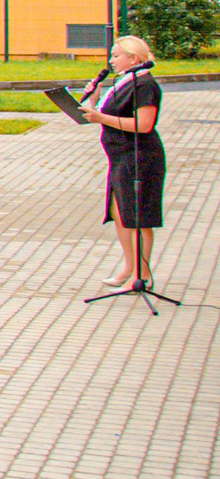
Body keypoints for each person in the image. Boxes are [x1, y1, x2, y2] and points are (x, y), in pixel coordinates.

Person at [85, 35, 164, 293]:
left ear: (134, 58)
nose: (111, 60)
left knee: (139, 217)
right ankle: (130, 268)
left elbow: (143, 125)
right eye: (112, 55)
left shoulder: (145, 86)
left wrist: (100, 117)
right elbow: (104, 116)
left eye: (116, 56)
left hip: (140, 157)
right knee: (121, 214)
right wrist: (94, 100)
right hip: (120, 157)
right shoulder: (123, 83)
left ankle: (142, 276)